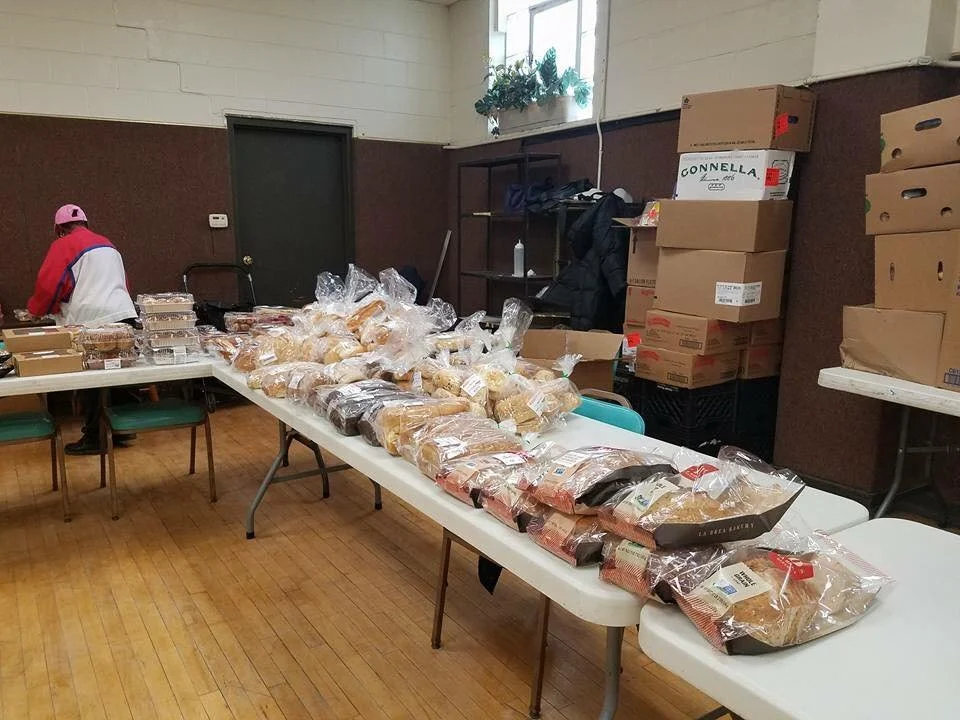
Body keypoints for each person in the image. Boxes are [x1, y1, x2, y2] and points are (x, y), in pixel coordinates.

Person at [26, 204, 138, 455]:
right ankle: (121, 428)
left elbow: (50, 285)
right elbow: (123, 282)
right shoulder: (108, 244)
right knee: (120, 374)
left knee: (91, 381)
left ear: (60, 229)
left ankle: (95, 438)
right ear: (85, 223)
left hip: (89, 322)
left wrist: (36, 310)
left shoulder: (63, 245)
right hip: (122, 314)